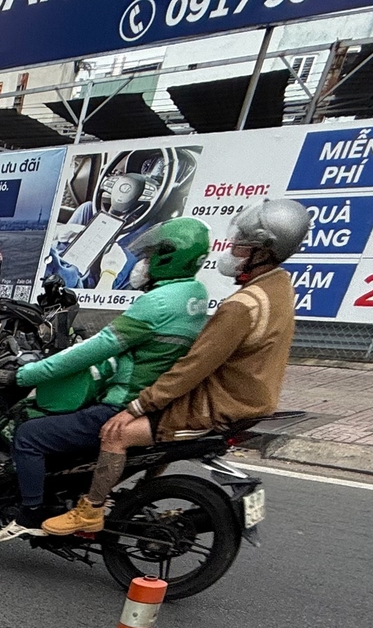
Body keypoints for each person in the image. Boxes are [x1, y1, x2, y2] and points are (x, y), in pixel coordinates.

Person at [34, 197, 310, 537]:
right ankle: (140, 496)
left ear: (263, 251)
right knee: (151, 433)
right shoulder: (279, 289)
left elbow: (193, 367)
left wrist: (138, 405)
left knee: (116, 432)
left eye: (241, 247)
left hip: (216, 404)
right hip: (251, 399)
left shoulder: (241, 306)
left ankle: (90, 511)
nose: (232, 251)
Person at [0, 217, 212, 541]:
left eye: (148, 256)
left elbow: (96, 350)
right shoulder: (193, 294)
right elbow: (138, 351)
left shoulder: (158, 303)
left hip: (123, 405)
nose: (141, 263)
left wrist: (24, 375)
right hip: (156, 401)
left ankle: (29, 515)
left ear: (169, 258)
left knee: (29, 435)